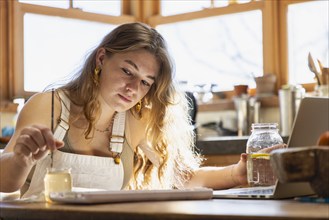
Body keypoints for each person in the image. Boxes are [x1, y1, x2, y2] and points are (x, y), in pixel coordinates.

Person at [0, 22, 250, 199]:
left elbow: (182, 178)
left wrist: (236, 174)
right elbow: (5, 180)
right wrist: (21, 160)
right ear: (101, 59)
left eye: (145, 82)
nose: (132, 88)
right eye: (127, 71)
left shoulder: (136, 121)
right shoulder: (49, 105)